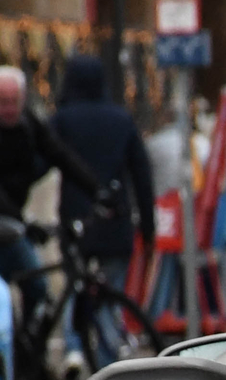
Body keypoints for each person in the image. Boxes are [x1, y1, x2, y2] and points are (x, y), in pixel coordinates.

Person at [0, 64, 108, 295]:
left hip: (12, 218)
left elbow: (59, 154)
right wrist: (21, 221)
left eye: (15, 101)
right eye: (3, 102)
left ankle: (28, 329)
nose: (10, 109)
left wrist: (96, 190)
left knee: (37, 289)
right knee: (0, 288)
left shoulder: (27, 123)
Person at [47, 54, 153, 291]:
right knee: (112, 295)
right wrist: (148, 228)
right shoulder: (121, 120)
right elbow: (142, 176)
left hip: (77, 222)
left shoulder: (62, 120)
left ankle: (77, 328)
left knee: (74, 293)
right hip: (115, 220)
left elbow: (39, 162)